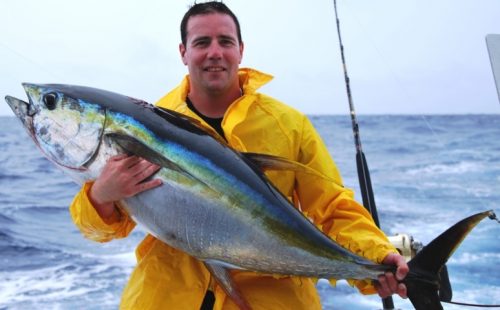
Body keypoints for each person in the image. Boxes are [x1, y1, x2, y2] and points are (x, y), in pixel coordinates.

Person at [70, 1, 408, 309]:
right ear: (183, 52)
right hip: (165, 297)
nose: (214, 52)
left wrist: (376, 257)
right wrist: (101, 195)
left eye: (225, 42)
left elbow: (333, 206)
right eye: (202, 43)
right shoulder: (148, 127)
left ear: (241, 50)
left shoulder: (288, 125)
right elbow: (100, 231)